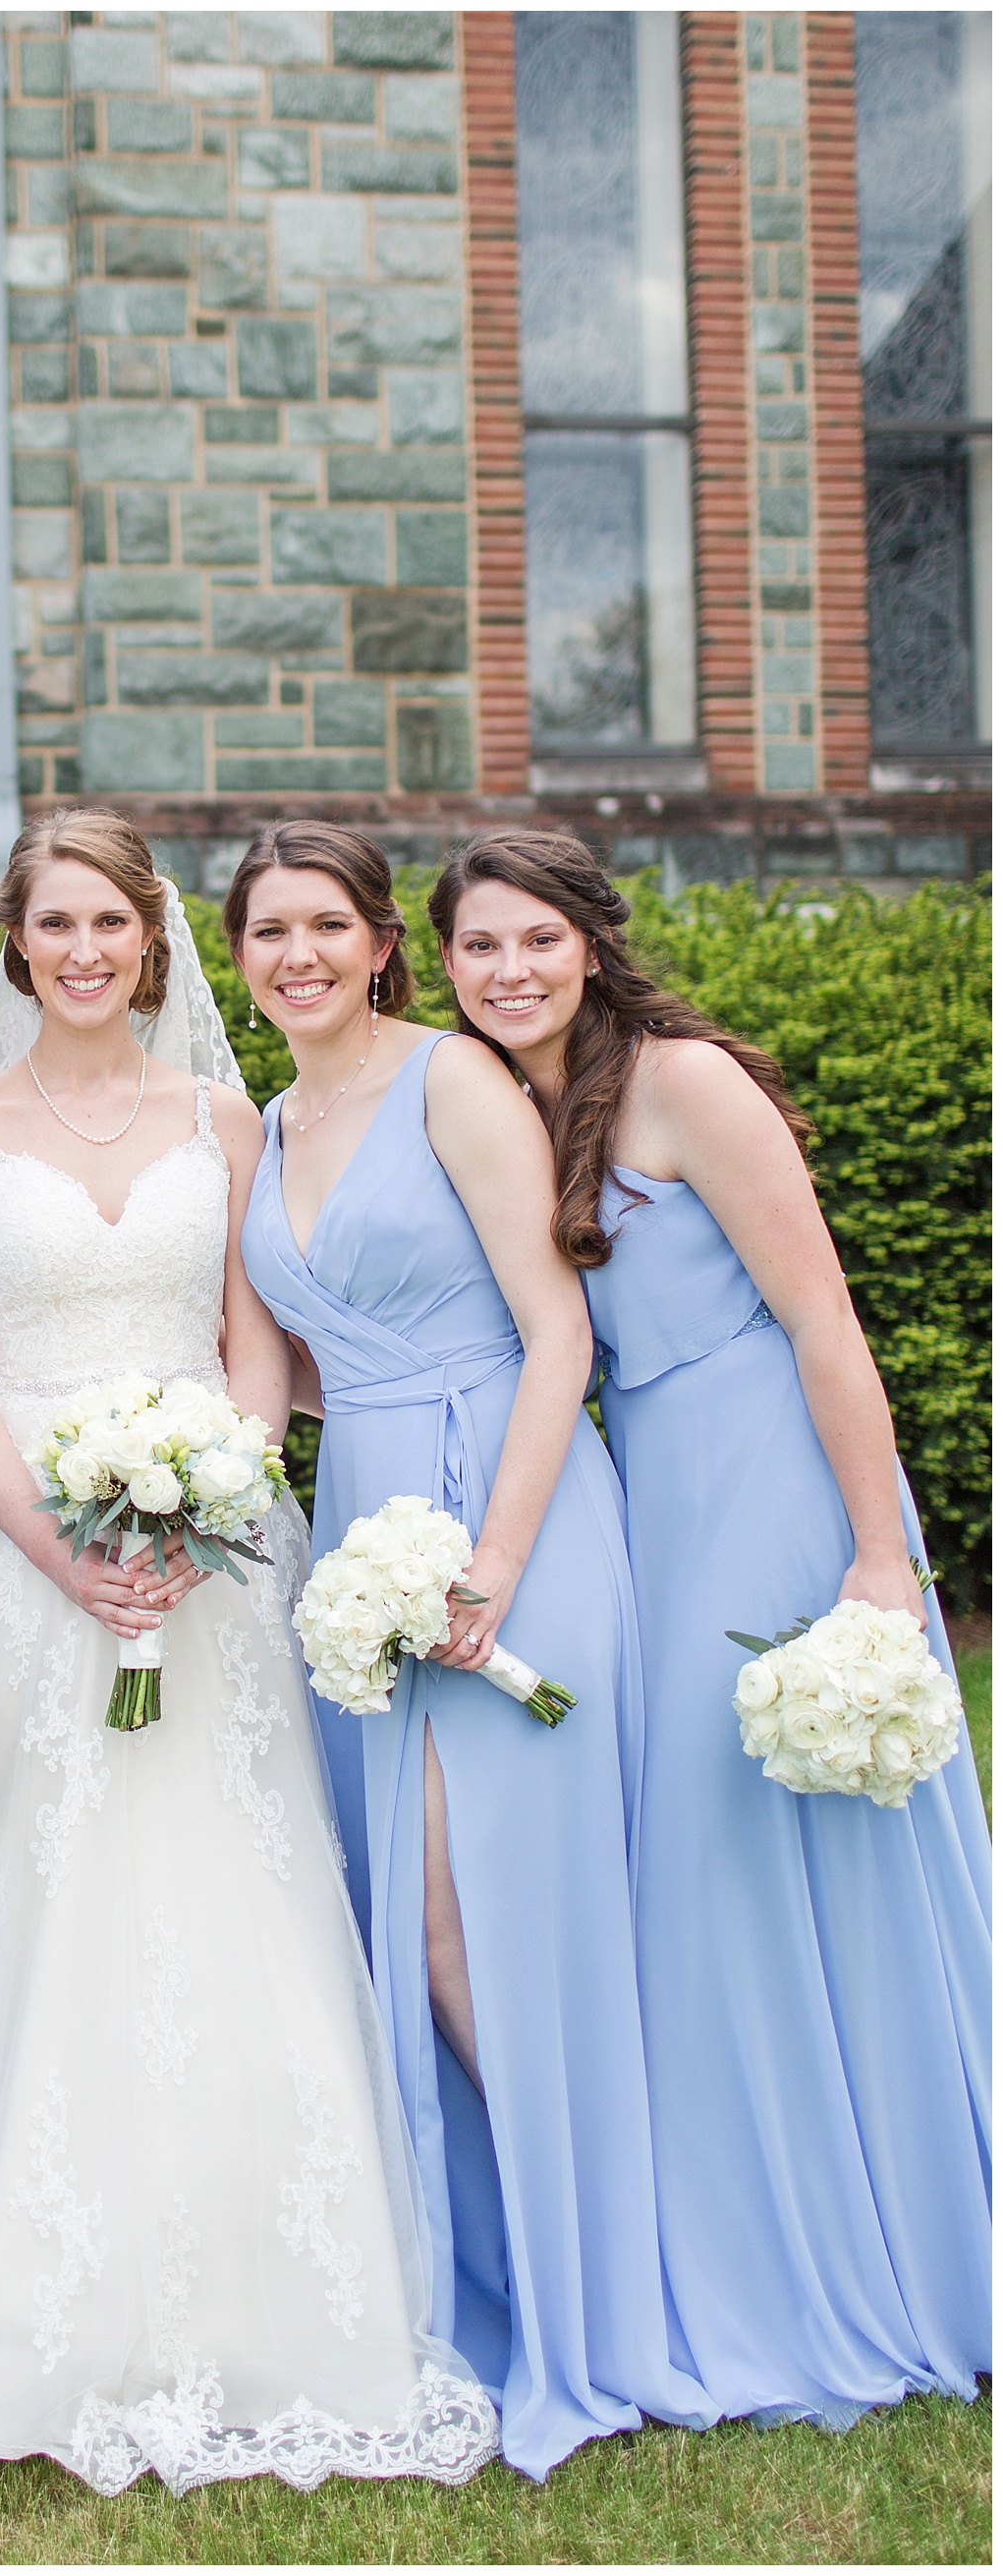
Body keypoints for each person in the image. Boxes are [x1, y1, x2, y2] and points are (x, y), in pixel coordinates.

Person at [0, 809, 500, 2496]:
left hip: (209, 1561)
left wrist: (218, 1508)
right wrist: (64, 1547)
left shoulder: (228, 1118)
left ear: (151, 933)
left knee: (227, 1890)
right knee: (15, 1901)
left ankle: (267, 2293)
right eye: (53, 924)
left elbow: (250, 1345)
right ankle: (9, 2293)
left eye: (110, 921)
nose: (85, 950)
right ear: (17, 942)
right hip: (12, 1547)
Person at [430, 825, 990, 2428]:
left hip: (763, 1481)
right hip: (643, 1498)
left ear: (590, 944)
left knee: (773, 1851)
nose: (509, 971)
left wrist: (880, 1554)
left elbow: (824, 1318)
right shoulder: (499, 1105)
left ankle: (897, 2248)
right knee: (690, 1871)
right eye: (479, 947)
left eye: (536, 939)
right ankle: (736, 2229)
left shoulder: (681, 1080)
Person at [231, 821, 713, 2481]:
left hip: (509, 1512)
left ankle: (612, 2293)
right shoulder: (274, 1120)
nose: (295, 953)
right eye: (264, 929)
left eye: (324, 924)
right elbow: (304, 1366)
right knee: (415, 1915)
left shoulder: (454, 1082)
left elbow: (554, 1322)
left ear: (381, 944)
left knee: (481, 1919)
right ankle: (487, 2276)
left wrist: (494, 1555)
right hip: (368, 1524)